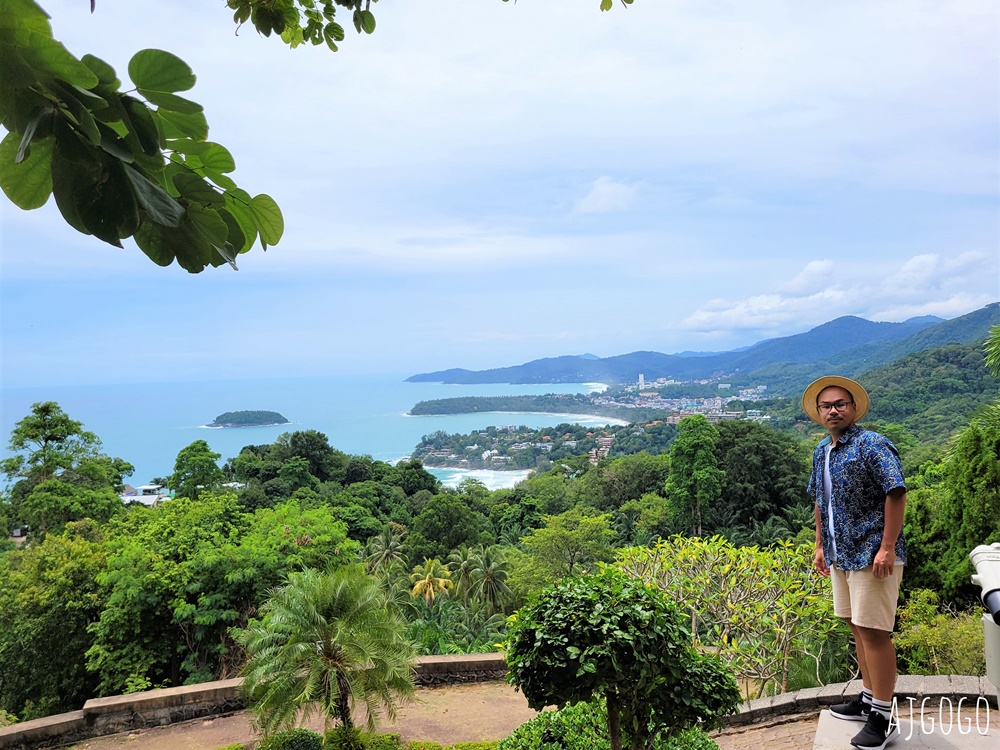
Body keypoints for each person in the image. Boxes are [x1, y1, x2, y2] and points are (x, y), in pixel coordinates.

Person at [803, 376, 907, 750]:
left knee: (874, 631)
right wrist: (819, 545)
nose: (833, 410)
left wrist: (887, 547)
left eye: (840, 404)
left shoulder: (871, 444)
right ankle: (867, 698)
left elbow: (895, 493)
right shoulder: (822, 451)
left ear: (853, 408)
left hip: (872, 553)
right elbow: (820, 501)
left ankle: (884, 715)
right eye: (826, 405)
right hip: (839, 553)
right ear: (819, 413)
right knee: (855, 625)